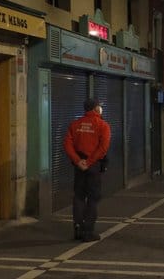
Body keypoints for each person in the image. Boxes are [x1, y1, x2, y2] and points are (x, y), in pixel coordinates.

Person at [64, 98, 111, 242]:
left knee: (78, 196)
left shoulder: (75, 124)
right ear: (96, 109)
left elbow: (67, 144)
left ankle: (78, 229)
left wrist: (78, 161)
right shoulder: (103, 125)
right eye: (99, 106)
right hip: (93, 166)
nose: (101, 109)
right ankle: (88, 232)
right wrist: (90, 162)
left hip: (79, 167)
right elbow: (103, 148)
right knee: (92, 198)